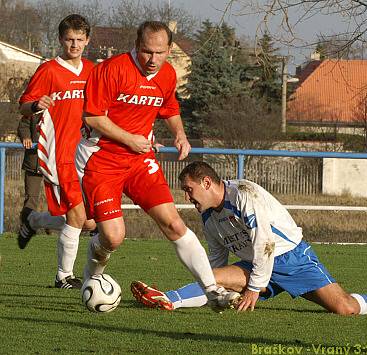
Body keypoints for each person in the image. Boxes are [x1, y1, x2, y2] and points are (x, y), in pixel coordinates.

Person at [75, 21, 240, 311]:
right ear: (136, 46)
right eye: (146, 52)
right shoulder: (111, 69)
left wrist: (179, 133)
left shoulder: (166, 74)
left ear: (169, 50)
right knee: (113, 237)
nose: (153, 60)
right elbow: (92, 118)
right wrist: (130, 139)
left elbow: (170, 108)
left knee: (174, 223)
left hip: (140, 161)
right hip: (101, 160)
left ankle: (213, 292)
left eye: (160, 53)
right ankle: (94, 275)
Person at [131, 161, 367, 315]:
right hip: (254, 265)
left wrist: (254, 288)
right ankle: (166, 299)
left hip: (291, 258)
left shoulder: (243, 194)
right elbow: (215, 260)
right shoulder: (208, 216)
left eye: (189, 189)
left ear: (206, 182)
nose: (187, 196)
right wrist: (218, 288)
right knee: (212, 276)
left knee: (343, 308)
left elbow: (264, 242)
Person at [19, 14, 96, 289]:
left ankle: (35, 220)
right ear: (61, 40)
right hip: (58, 154)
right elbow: (23, 106)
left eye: (79, 39)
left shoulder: (92, 71)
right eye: (69, 39)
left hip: (85, 155)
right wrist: (36, 104)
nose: (74, 45)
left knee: (87, 222)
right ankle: (63, 276)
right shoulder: (49, 70)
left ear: (87, 40)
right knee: (77, 217)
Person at [17, 115, 67, 248]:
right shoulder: (34, 109)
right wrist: (26, 137)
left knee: (58, 199)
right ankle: (25, 229)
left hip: (56, 163)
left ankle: (51, 229)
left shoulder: (62, 107)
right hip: (34, 162)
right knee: (31, 198)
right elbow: (23, 125)